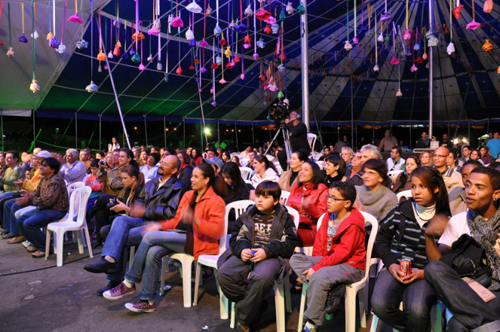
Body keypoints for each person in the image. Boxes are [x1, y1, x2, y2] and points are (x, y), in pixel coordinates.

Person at [102, 163, 226, 313]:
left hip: (199, 242)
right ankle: (147, 301)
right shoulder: (188, 195)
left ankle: (128, 283)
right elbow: (175, 221)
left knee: (149, 237)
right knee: (154, 250)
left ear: (206, 180)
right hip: (180, 235)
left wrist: (195, 220)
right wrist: (159, 226)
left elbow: (216, 231)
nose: (191, 179)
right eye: (192, 175)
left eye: (195, 176)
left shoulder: (216, 201)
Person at [84, 155, 184, 294]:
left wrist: (144, 210)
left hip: (158, 225)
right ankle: (109, 260)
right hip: (144, 220)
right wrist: (134, 209)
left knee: (120, 236)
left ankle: (116, 280)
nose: (160, 165)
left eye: (165, 164)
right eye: (161, 161)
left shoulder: (177, 187)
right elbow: (141, 202)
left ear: (173, 170)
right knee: (119, 221)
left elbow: (171, 212)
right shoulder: (152, 182)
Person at [372, 166, 450, 332]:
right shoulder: (401, 210)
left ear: (436, 188)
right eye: (413, 186)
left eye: (423, 186)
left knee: (416, 310)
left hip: (425, 273)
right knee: (379, 305)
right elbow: (381, 239)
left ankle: (417, 326)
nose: (416, 192)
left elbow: (447, 257)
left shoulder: (444, 219)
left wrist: (424, 272)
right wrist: (391, 264)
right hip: (396, 266)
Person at [424, 167, 500, 332]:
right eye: (468, 185)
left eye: (479, 187)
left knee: (457, 325)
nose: (470, 192)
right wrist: (428, 236)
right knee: (432, 269)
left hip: (497, 288)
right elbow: (439, 265)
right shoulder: (459, 221)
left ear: (496, 194)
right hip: (465, 290)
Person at [217, 181, 297, 332]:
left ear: (276, 201)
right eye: (258, 195)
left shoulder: (284, 217)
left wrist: (267, 251)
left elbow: (290, 243)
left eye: (265, 197)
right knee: (224, 274)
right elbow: (236, 237)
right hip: (248, 252)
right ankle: (256, 304)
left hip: (273, 256)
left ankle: (244, 318)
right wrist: (242, 249)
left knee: (262, 276)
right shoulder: (248, 214)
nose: (259, 200)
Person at [290, 181, 366, 332]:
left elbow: (342, 253)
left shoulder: (353, 224)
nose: (328, 201)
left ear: (347, 203)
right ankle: (330, 292)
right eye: (328, 197)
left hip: (350, 265)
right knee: (295, 259)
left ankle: (312, 322)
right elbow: (319, 245)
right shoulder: (327, 217)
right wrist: (316, 265)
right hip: (330, 261)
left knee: (319, 276)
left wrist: (317, 268)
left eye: (334, 198)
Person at [15, 157, 69, 258]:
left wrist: (30, 200)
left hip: (56, 210)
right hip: (45, 208)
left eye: (44, 166)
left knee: (29, 223)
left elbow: (49, 200)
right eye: (41, 165)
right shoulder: (44, 179)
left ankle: (45, 248)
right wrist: (29, 197)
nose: (40, 167)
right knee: (20, 220)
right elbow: (36, 193)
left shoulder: (55, 181)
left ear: (52, 169)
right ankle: (36, 243)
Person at [286, 161, 328, 246]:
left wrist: (310, 208)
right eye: (301, 169)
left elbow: (323, 216)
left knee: (285, 236)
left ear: (314, 173)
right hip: (293, 226)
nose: (301, 172)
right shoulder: (296, 188)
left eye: (306, 170)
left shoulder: (322, 189)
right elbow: (288, 210)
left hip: (312, 229)